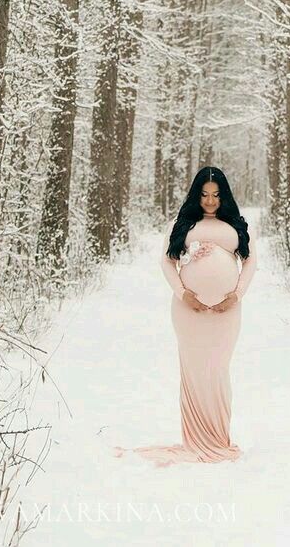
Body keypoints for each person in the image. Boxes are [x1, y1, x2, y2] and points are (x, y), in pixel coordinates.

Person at [113, 166, 257, 467]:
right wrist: (184, 293)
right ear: (196, 194)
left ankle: (218, 438)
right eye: (204, 194)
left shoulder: (237, 225)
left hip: (226, 312)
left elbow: (250, 262)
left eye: (216, 195)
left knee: (217, 370)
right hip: (187, 311)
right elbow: (167, 261)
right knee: (193, 372)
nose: (210, 201)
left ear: (224, 196)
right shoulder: (183, 223)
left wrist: (235, 295)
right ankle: (195, 440)